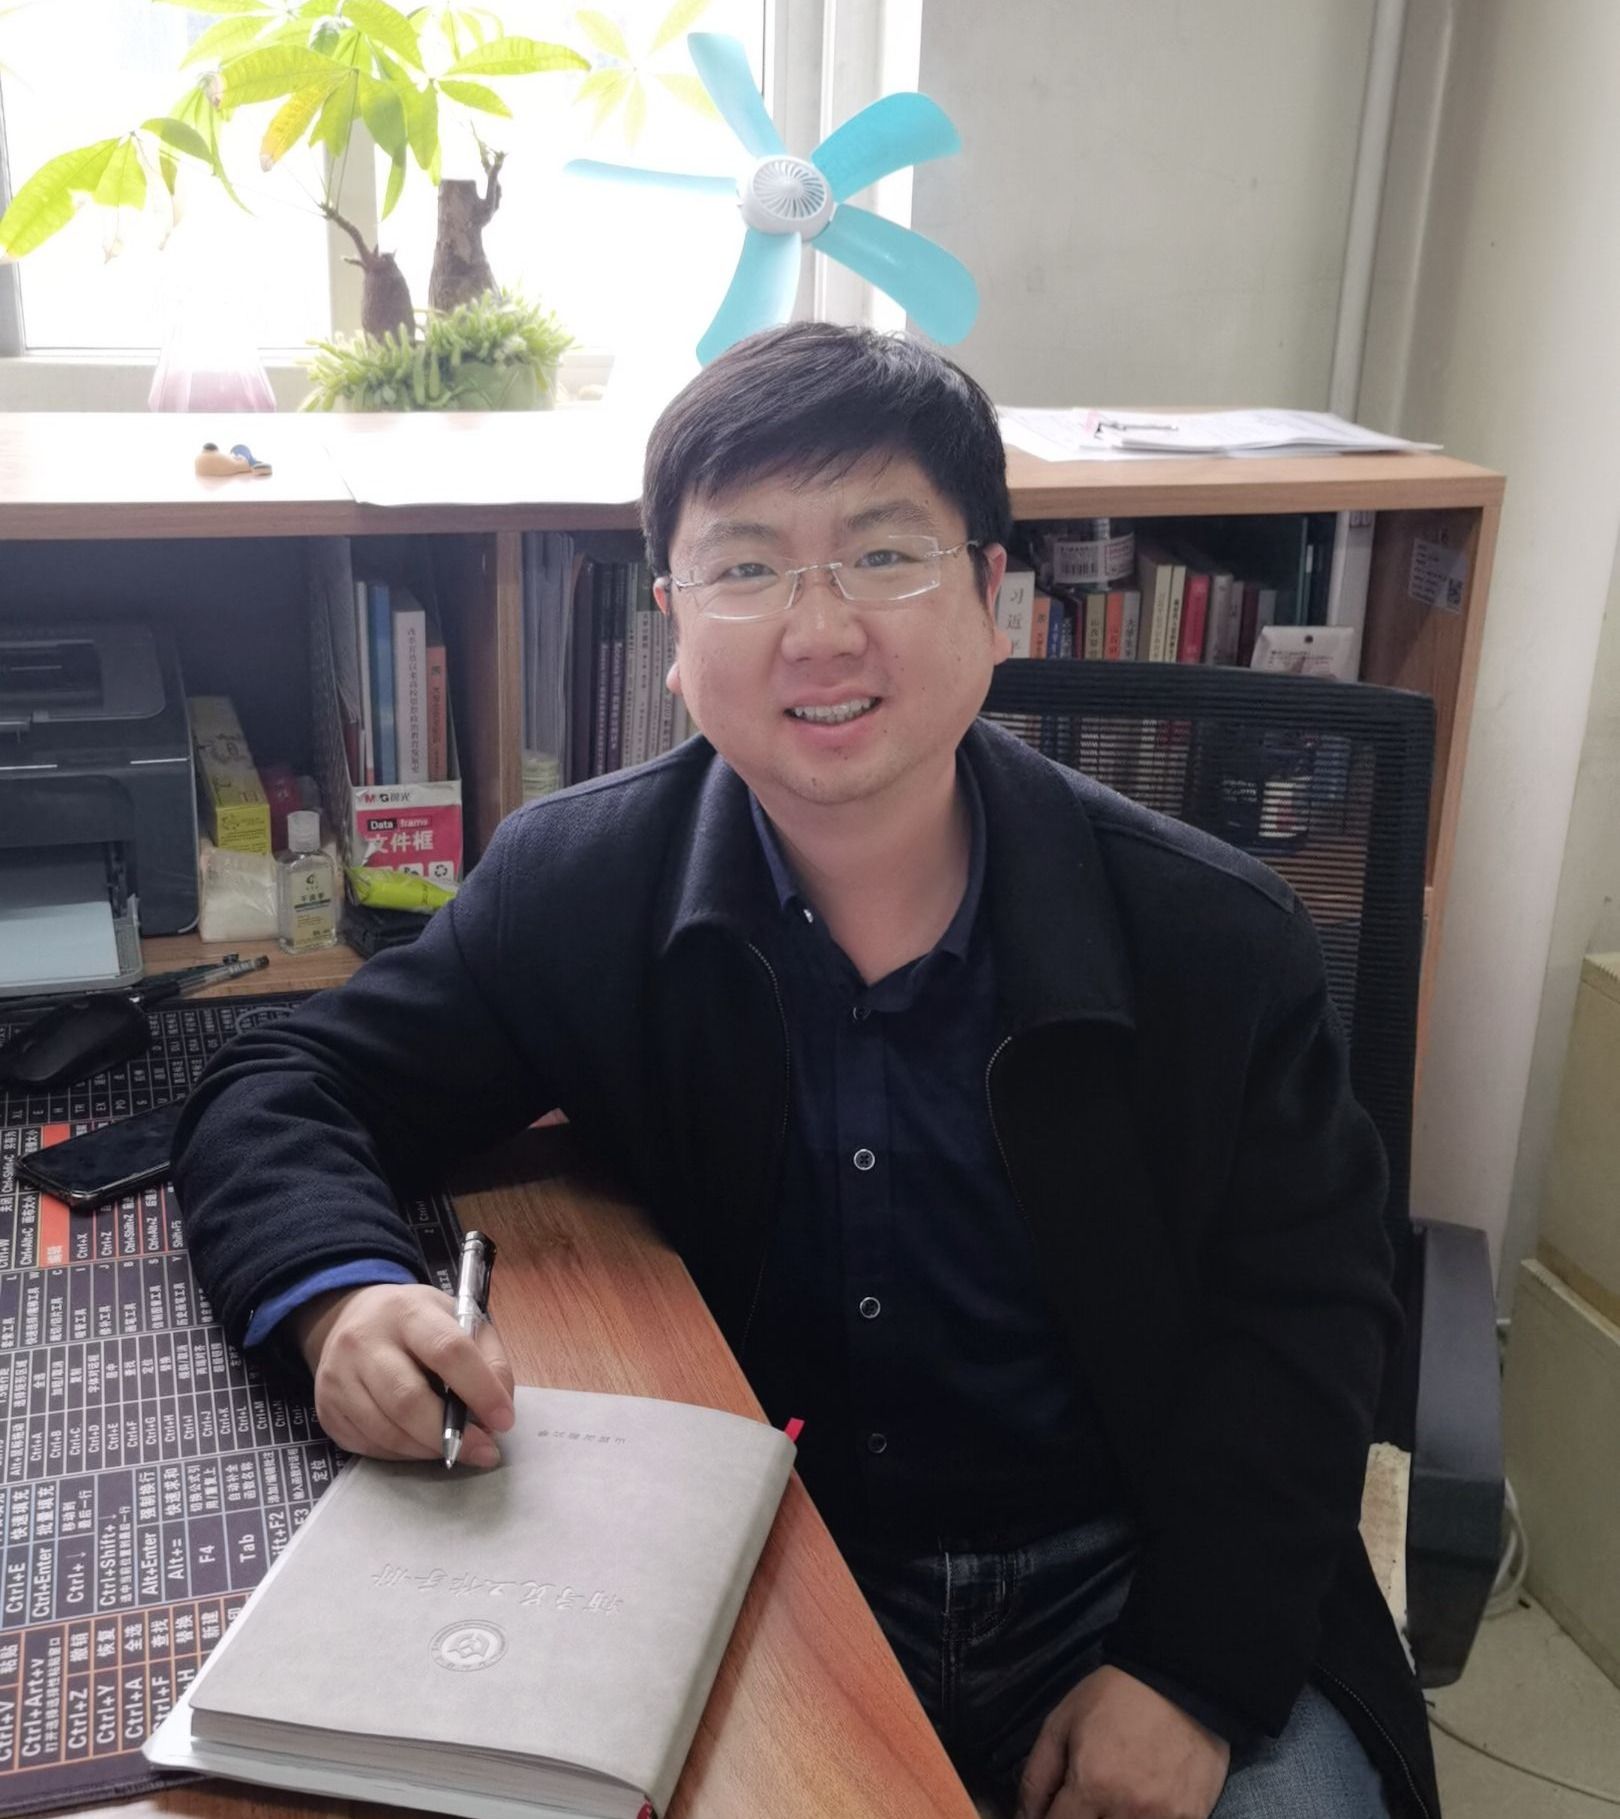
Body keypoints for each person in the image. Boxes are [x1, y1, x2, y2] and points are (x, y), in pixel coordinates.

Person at [175, 321, 1438, 1819]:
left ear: (991, 594)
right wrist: (341, 1298)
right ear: (671, 625)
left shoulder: (1210, 937)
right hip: (762, 1561)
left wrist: (1189, 1677)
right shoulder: (583, 890)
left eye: (884, 556)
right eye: (748, 566)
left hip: (1138, 1565)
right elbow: (287, 1083)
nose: (819, 631)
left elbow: (1311, 1321)